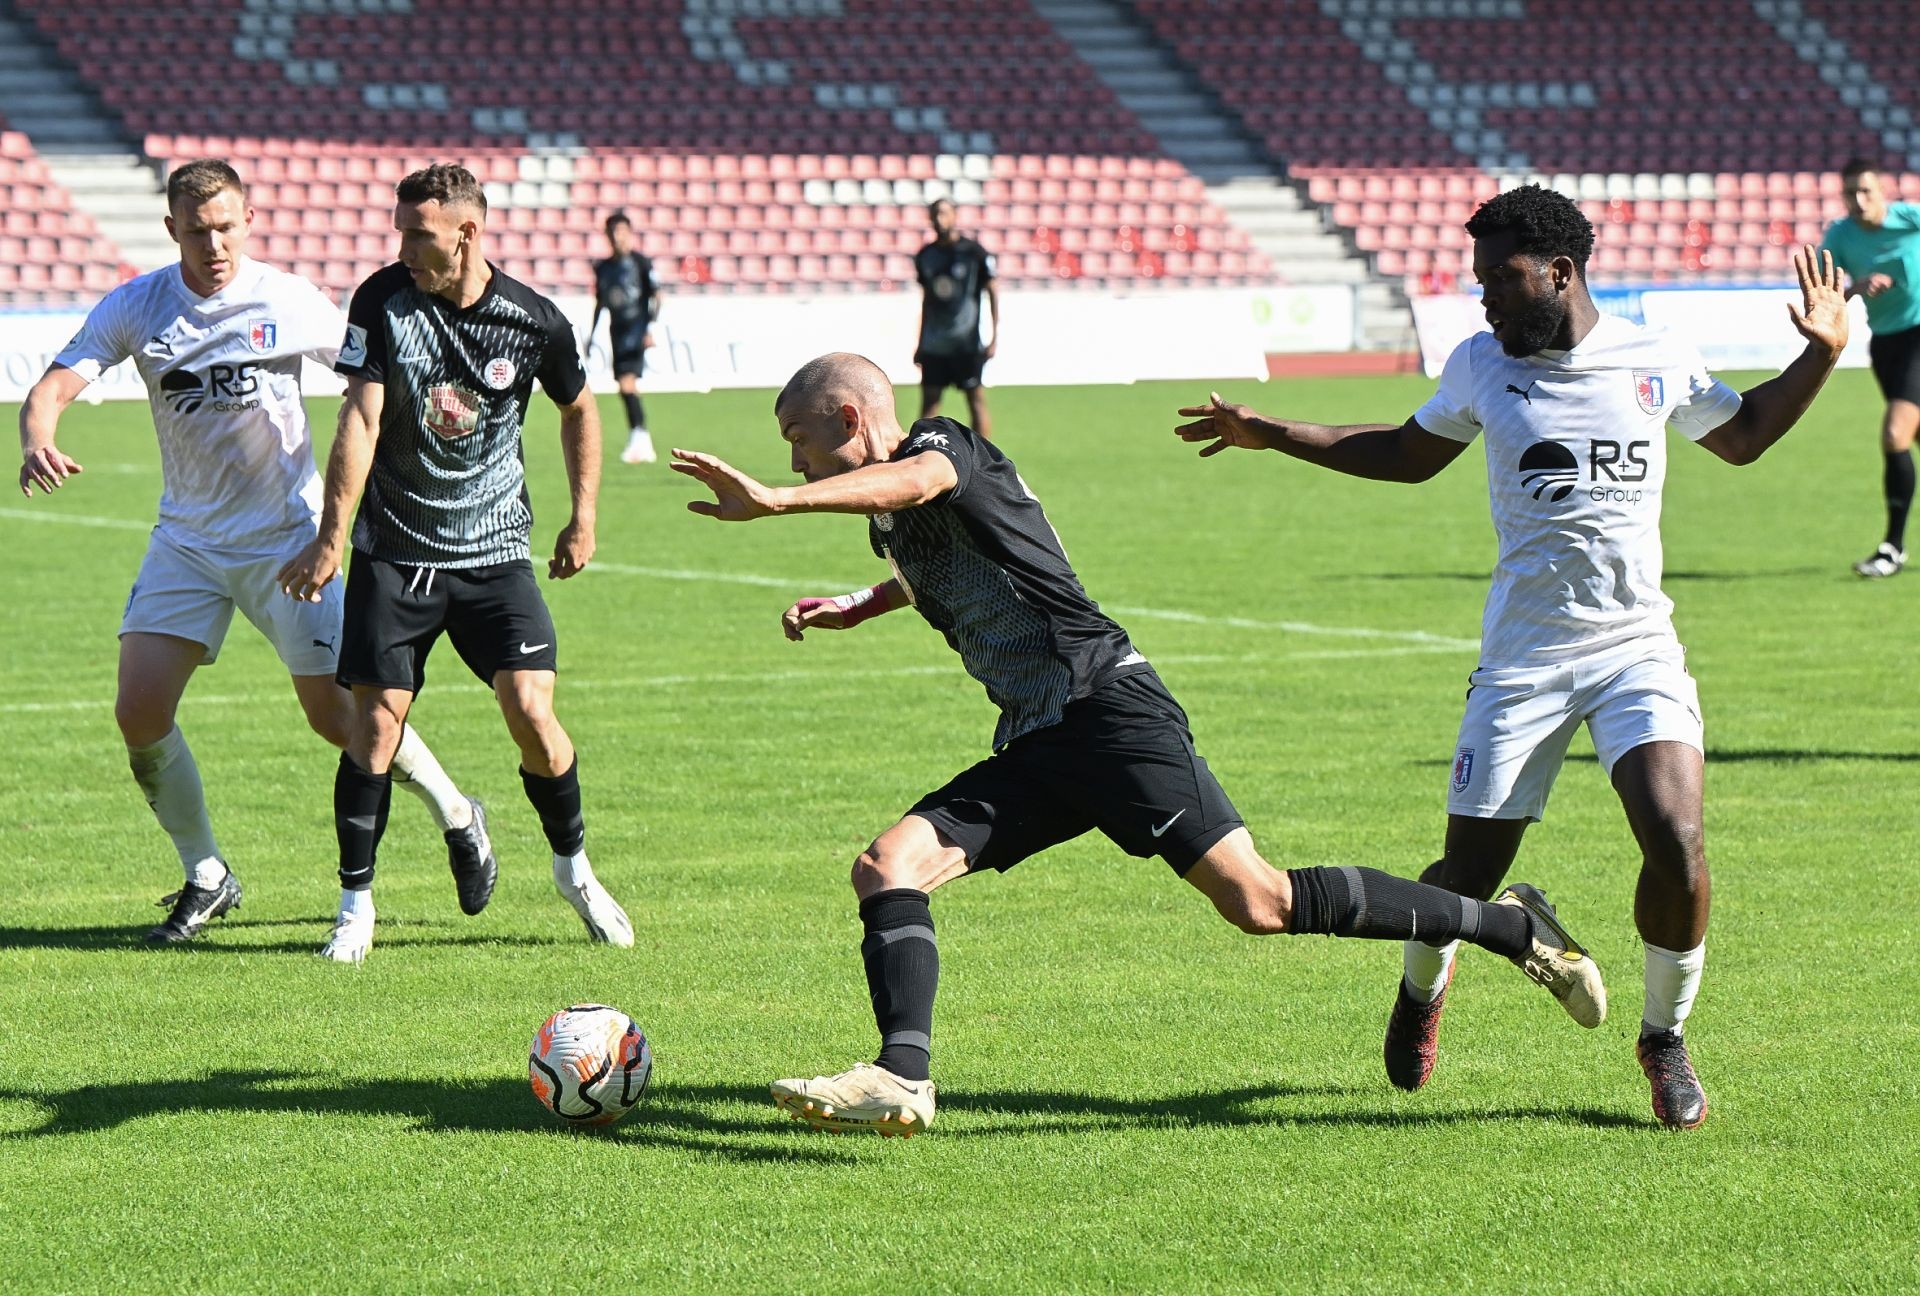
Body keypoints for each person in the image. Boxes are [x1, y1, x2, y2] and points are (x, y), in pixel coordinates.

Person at [671, 351, 1608, 1137]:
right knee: (886, 868)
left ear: (847, 416)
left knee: (1261, 903)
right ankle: (902, 1076)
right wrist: (863, 602)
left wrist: (781, 507)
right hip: (1040, 738)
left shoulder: (939, 444)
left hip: (1111, 714)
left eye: (798, 439)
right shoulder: (886, 513)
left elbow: (922, 483)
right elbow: (952, 563)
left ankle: (1512, 927)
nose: (792, 461)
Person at [1175, 186, 1848, 1129]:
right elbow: (1407, 454)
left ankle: (1664, 1040)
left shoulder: (1654, 361)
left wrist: (1818, 355)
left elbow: (1742, 437)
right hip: (1524, 661)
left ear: (1561, 272)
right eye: (1480, 279)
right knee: (1465, 880)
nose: (1485, 297)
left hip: (1634, 648)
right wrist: (1271, 433)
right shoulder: (1482, 364)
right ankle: (1421, 992)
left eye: (1502, 278)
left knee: (1680, 844)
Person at [15, 158, 489, 946]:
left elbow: (366, 380)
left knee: (339, 718)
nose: (214, 243)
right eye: (197, 230)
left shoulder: (287, 299)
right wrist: (39, 438)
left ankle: (459, 812)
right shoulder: (139, 304)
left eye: (227, 225)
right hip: (189, 542)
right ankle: (207, 873)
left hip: (288, 541)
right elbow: (55, 386)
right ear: (172, 230)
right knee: (138, 712)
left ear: (249, 221)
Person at [276, 163, 633, 963]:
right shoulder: (381, 301)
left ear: (467, 234)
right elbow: (360, 421)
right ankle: (354, 906)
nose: (403, 247)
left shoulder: (531, 320)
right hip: (395, 552)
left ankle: (575, 871)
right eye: (400, 230)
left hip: (495, 551)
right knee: (373, 727)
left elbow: (579, 407)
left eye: (419, 234)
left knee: (532, 711)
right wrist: (333, 538)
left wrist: (584, 516)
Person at [1819, 157, 1920, 577]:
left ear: (1883, 191)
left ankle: (1892, 548)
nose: (1859, 200)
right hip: (1887, 344)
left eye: (1866, 191)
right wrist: (1857, 287)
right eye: (1850, 193)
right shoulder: (1839, 235)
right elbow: (1826, 294)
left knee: (1895, 434)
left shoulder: (1911, 219)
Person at [913, 198, 998, 440]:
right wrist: (920, 343)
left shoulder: (973, 253)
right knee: (930, 403)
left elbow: (992, 289)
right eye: (935, 214)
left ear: (954, 216)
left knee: (976, 399)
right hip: (934, 343)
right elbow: (927, 301)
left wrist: (993, 336)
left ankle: (985, 459)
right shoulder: (925, 256)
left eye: (944, 213)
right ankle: (922, 452)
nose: (940, 219)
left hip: (966, 342)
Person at [586, 212, 661, 466]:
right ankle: (639, 437)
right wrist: (593, 333)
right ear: (607, 236)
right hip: (616, 331)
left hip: (637, 331)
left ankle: (640, 439)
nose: (618, 237)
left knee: (627, 384)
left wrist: (651, 328)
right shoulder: (604, 268)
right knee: (623, 385)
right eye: (613, 232)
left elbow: (657, 296)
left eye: (622, 232)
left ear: (630, 233)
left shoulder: (641, 263)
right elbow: (600, 301)